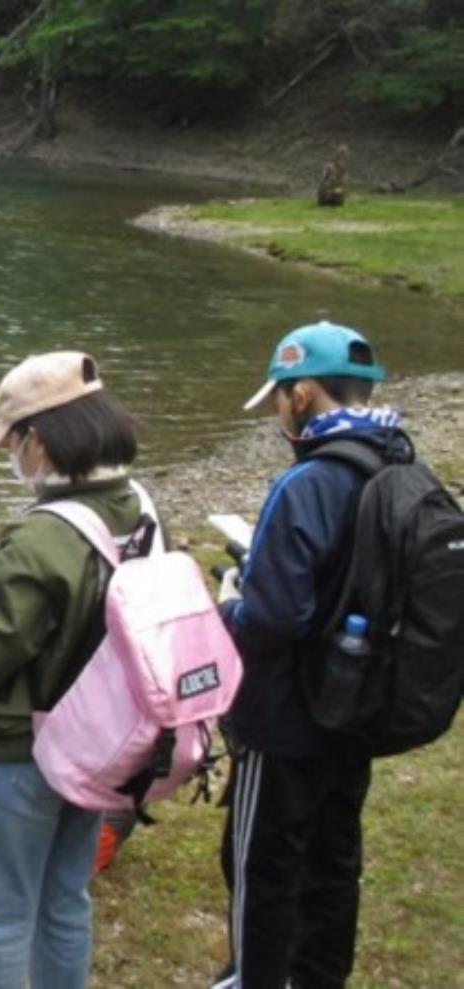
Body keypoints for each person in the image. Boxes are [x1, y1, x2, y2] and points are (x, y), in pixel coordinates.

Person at [0, 351, 144, 989]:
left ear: (40, 444)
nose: (12, 458)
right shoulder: (135, 506)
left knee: (2, 918)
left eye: (13, 443)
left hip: (27, 751)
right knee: (66, 898)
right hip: (102, 739)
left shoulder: (44, 536)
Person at [213, 321, 394, 989]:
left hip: (286, 716)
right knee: (334, 855)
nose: (279, 414)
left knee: (261, 864)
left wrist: (229, 602)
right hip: (357, 704)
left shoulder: (307, 482)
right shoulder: (396, 458)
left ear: (304, 393)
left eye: (282, 397)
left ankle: (254, 976)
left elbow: (271, 620)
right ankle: (318, 976)